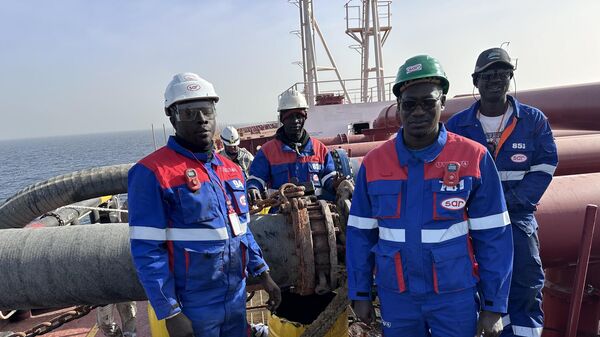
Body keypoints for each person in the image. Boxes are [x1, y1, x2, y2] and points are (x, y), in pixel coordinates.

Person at [346, 55, 513, 337]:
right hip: (397, 297)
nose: (419, 112)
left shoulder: (473, 158)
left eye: (429, 102)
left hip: (454, 296)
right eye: (410, 104)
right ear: (399, 107)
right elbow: (360, 235)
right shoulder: (374, 164)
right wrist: (360, 293)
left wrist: (494, 305)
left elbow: (494, 235)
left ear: (443, 102)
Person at [128, 72, 281, 337]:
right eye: (189, 112)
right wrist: (171, 312)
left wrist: (262, 271)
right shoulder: (152, 172)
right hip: (193, 303)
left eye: (207, 110)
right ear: (172, 116)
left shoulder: (231, 170)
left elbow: (242, 229)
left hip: (235, 295)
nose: (201, 119)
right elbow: (147, 249)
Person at [446, 48, 558, 337]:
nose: (496, 79)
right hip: (471, 224)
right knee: (471, 284)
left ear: (511, 77)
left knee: (525, 285)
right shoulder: (457, 126)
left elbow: (545, 166)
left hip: (517, 221)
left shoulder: (533, 121)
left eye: (502, 73)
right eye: (488, 74)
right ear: (475, 81)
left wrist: (510, 203)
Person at [246, 89, 337, 204]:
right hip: (279, 215)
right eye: (290, 117)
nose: (295, 121)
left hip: (316, 211)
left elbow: (329, 178)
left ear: (306, 116)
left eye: (299, 116)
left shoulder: (320, 149)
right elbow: (256, 178)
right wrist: (253, 188)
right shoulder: (267, 152)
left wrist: (337, 184)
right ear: (282, 119)